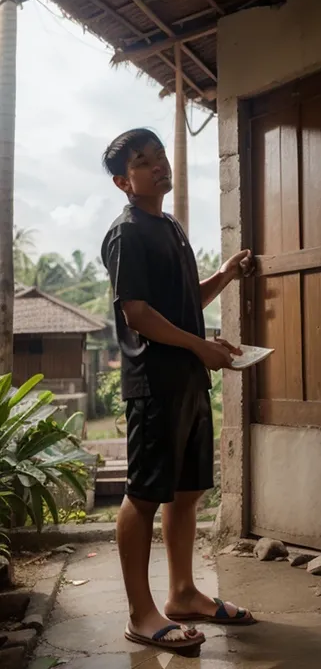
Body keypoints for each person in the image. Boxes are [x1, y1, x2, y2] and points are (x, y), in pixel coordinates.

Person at [100, 128, 255, 654]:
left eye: (160, 155)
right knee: (143, 495)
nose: (159, 165)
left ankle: (183, 594)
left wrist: (225, 275)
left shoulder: (169, 225)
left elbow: (184, 298)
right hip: (154, 385)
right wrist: (198, 346)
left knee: (187, 491)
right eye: (144, 162)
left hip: (188, 379)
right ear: (125, 182)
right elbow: (138, 314)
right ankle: (141, 613)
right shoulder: (128, 233)